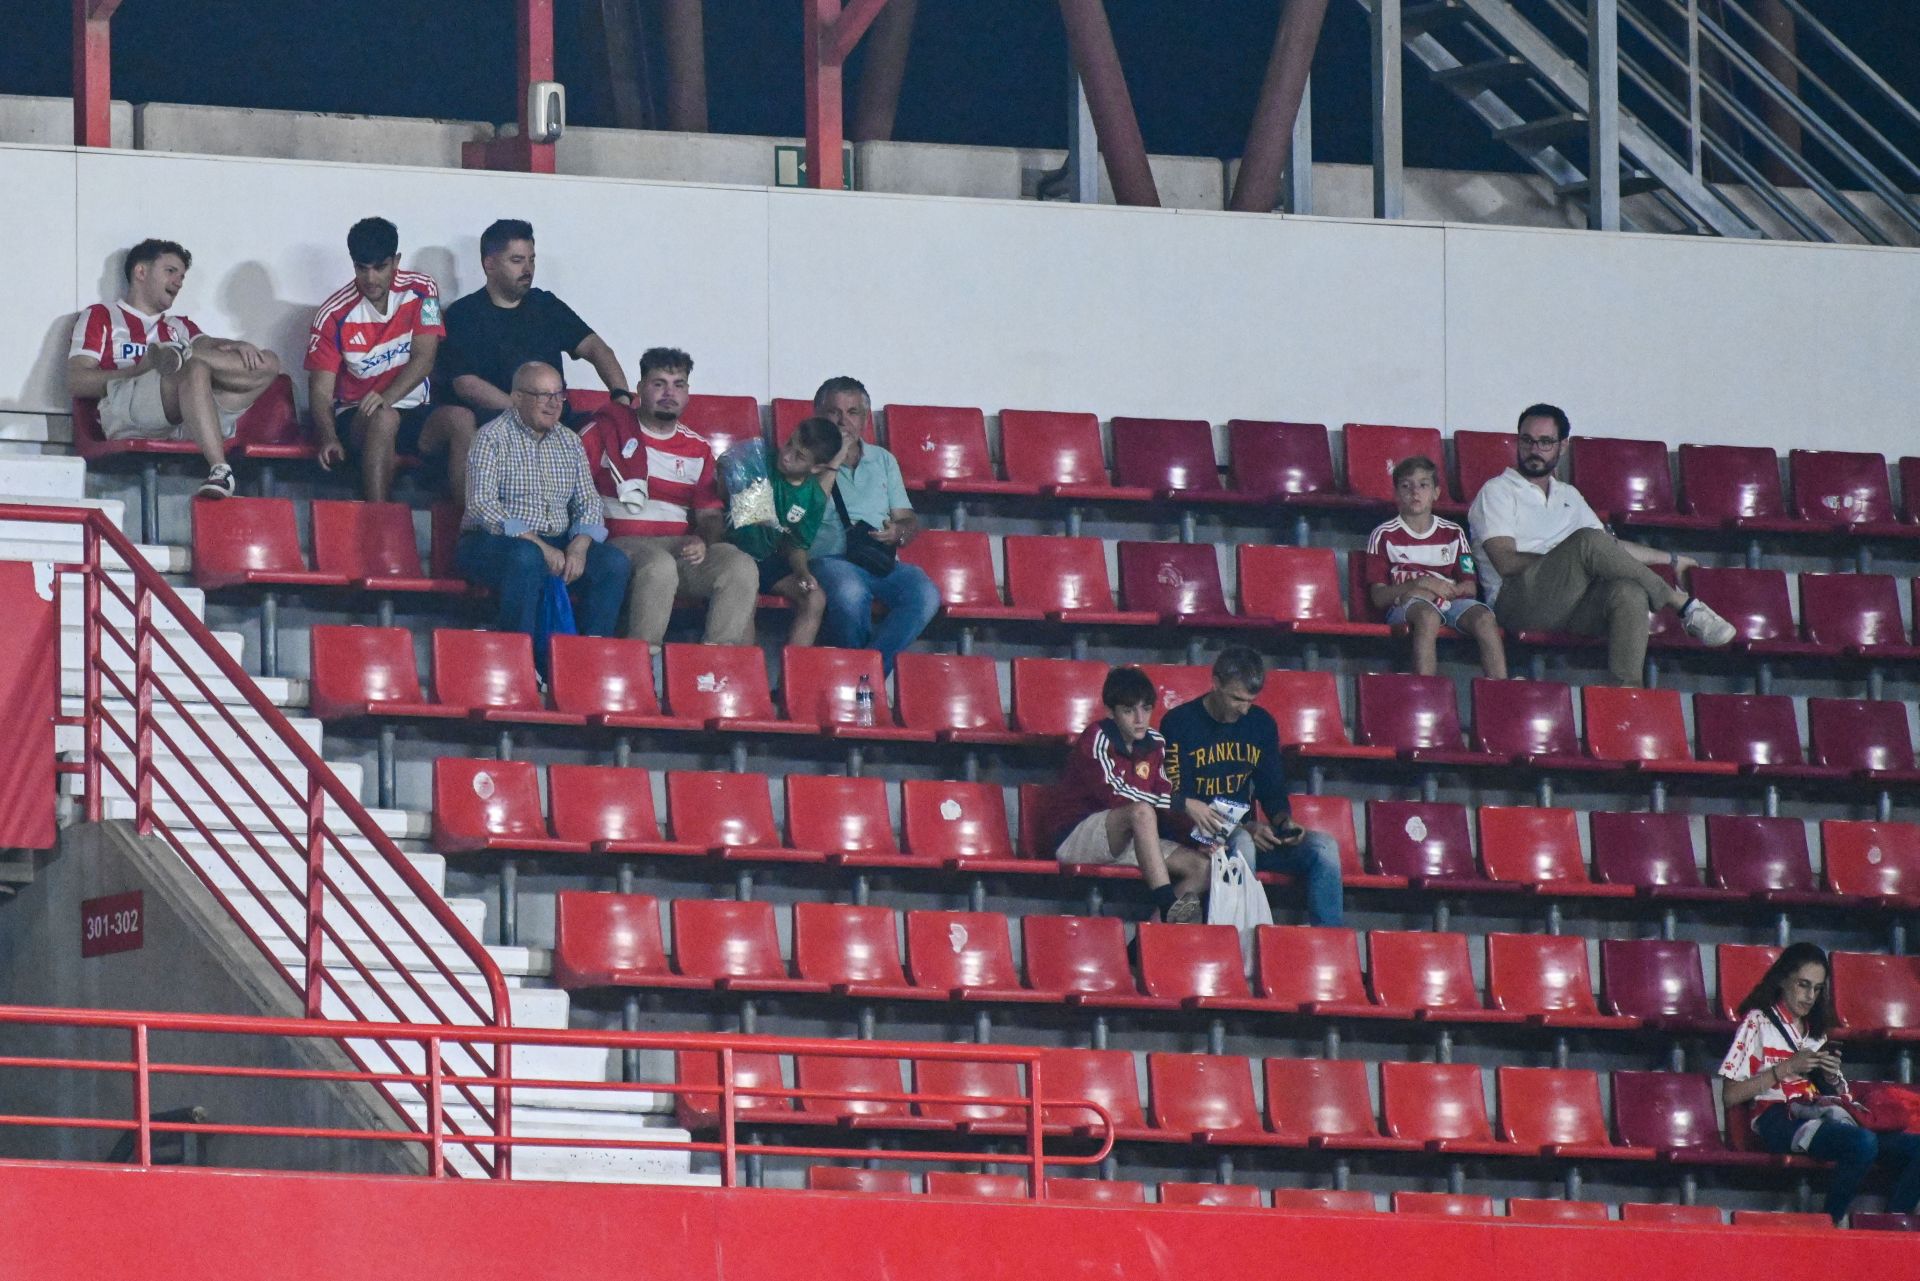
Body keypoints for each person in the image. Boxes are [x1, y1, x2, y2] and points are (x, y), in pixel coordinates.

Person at [1466, 403, 1734, 687]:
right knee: (1587, 543)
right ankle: (1680, 603)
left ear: (1563, 446)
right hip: (1516, 601)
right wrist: (1569, 560)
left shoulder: (1568, 494)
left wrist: (1670, 560)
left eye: (1545, 442)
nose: (1534, 449)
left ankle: (1627, 698)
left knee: (1628, 592)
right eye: (1527, 440)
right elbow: (1505, 561)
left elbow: (1610, 548)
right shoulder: (1497, 491)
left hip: (1571, 603)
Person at [1719, 942, 1920, 1223]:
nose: (1809, 996)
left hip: (1819, 1110)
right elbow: (1730, 1095)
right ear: (1782, 980)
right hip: (1777, 1117)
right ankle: (1828, 1223)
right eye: (1803, 985)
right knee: (1863, 1143)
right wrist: (1787, 1067)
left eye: (1816, 988)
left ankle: (1893, 1225)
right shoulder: (1758, 1022)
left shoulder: (1815, 1031)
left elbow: (1830, 1092)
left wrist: (1830, 1078)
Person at [67, 238, 284, 499]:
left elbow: (214, 345)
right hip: (127, 409)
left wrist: (239, 345)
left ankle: (182, 356)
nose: (178, 282)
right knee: (193, 369)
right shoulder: (101, 316)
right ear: (141, 272)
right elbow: (76, 381)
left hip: (187, 412)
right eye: (170, 271)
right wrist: (140, 369)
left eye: (182, 276)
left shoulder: (179, 326)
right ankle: (219, 467)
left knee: (268, 361)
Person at [577, 348, 757, 650]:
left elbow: (710, 516)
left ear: (688, 393)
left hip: (677, 549)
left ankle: (713, 666)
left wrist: (702, 539)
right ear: (639, 389)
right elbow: (572, 493)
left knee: (739, 565)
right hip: (615, 546)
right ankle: (643, 664)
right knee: (659, 565)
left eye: (678, 384)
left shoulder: (697, 448)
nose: (669, 393)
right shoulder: (604, 432)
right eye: (659, 383)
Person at [1157, 647, 1343, 927]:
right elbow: (1177, 801)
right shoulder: (1179, 723)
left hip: (1244, 835)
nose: (1243, 709)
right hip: (1197, 838)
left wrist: (1284, 821)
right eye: (1236, 699)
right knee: (1244, 842)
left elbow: (1271, 787)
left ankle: (1331, 947)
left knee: (1325, 847)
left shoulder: (1261, 723)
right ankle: (1238, 944)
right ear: (1215, 682)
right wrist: (1240, 829)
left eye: (1250, 701)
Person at [455, 362, 631, 653]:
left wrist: (579, 545)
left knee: (614, 564)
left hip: (556, 542)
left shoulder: (569, 441)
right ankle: (518, 661)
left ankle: (587, 659)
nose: (553, 404)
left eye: (558, 395)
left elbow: (588, 501)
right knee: (526, 559)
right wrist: (540, 546)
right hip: (494, 542)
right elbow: (482, 506)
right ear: (517, 398)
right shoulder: (491, 437)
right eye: (542, 395)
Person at [306, 217, 476, 504]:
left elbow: (425, 358)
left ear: (396, 261)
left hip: (413, 409)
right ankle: (378, 526)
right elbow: (320, 392)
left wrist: (387, 396)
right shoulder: (332, 313)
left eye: (380, 267)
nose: (370, 278)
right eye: (362, 268)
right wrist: (328, 437)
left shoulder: (424, 290)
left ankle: (467, 530)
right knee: (384, 418)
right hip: (358, 416)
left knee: (462, 419)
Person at [1039, 666, 1209, 923]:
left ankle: (1140, 947)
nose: (1140, 719)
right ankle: (1166, 903)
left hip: (1134, 835)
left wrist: (1197, 835)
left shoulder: (1156, 742)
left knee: (1203, 867)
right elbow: (1116, 794)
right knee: (1140, 811)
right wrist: (1184, 803)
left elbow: (1164, 798)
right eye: (1129, 711)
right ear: (1110, 712)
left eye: (1146, 709)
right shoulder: (1097, 737)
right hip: (1076, 836)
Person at [807, 376, 940, 675]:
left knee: (925, 594)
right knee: (850, 592)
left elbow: (908, 519)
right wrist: (835, 455)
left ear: (865, 419)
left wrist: (899, 532)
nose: (843, 421)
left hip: (877, 558)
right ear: (818, 416)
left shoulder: (883, 460)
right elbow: (805, 510)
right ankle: (864, 684)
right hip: (827, 558)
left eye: (853, 412)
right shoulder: (804, 456)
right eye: (834, 412)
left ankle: (863, 676)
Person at [438, 219, 629, 424]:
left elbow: (596, 348)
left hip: (557, 421)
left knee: (607, 430)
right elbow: (467, 384)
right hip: (500, 421)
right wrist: (527, 411)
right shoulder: (464, 313)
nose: (527, 269)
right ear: (490, 264)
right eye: (517, 260)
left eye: (532, 260)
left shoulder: (546, 305)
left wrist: (622, 398)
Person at [1364, 455, 1506, 679]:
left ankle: (1501, 692)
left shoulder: (1453, 533)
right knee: (1427, 616)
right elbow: (1379, 597)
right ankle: (1427, 693)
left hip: (1452, 601)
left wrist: (1438, 590)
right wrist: (1418, 585)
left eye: (1423, 485)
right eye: (1406, 486)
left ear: (1436, 493)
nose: (1415, 492)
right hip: (1407, 604)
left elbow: (1469, 586)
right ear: (1395, 494)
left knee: (1485, 619)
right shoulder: (1383, 534)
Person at [727, 417, 847, 649]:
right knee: (745, 593)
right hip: (737, 554)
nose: (787, 454)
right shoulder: (759, 462)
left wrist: (802, 573)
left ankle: (790, 683)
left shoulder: (813, 497)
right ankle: (748, 678)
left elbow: (797, 545)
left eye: (799, 456)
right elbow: (730, 499)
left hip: (769, 560)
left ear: (817, 468)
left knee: (815, 598)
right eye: (789, 443)